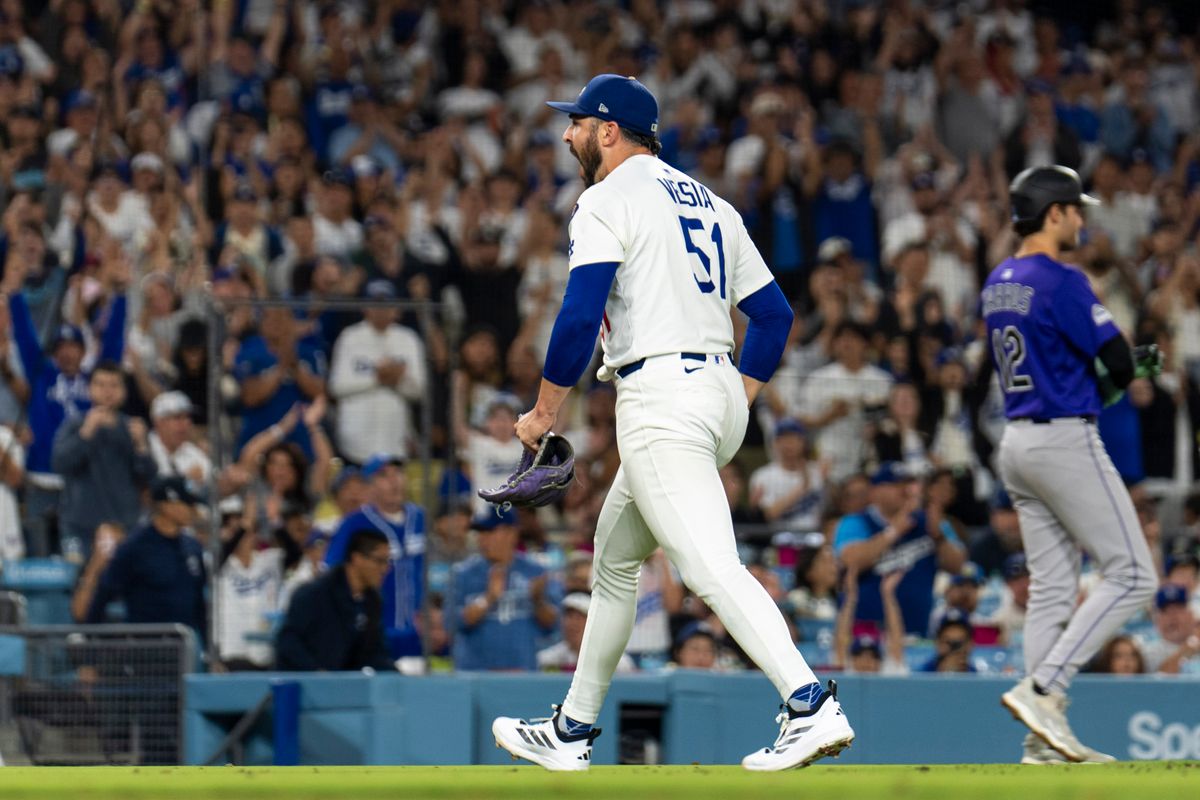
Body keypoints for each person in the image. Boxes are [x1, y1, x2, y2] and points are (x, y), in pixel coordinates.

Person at [490, 74, 853, 773]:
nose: (566, 134)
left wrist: (544, 410)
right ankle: (571, 730)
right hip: (714, 394)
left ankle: (810, 705)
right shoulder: (713, 203)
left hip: (661, 395)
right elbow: (775, 317)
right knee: (615, 559)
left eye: (576, 123)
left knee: (710, 567)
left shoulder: (604, 200)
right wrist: (734, 391)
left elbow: (578, 314)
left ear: (607, 131)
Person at [986, 166, 1159, 764]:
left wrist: (1111, 370)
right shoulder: (1062, 278)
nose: (1082, 220)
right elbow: (1113, 356)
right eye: (1075, 209)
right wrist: (1129, 367)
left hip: (1018, 440)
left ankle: (1042, 744)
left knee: (1053, 592)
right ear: (1053, 213)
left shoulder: (999, 280)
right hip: (1062, 440)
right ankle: (1044, 690)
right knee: (1135, 575)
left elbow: (1064, 358)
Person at [833, 462, 966, 636]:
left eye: (908, 484)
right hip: (865, 634)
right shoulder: (856, 521)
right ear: (875, 491)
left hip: (916, 631)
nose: (904, 490)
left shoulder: (929, 522)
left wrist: (939, 536)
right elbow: (850, 561)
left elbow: (958, 565)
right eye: (895, 485)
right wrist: (893, 532)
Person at [325, 453, 426, 662]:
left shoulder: (422, 518)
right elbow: (332, 575)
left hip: (421, 635)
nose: (393, 481)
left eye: (397, 473)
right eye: (384, 476)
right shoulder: (354, 524)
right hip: (375, 635)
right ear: (369, 487)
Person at [51, 361, 157, 560]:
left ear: (124, 391)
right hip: (80, 526)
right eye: (100, 385)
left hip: (124, 525)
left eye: (114, 385)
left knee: (122, 585)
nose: (108, 391)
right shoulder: (75, 425)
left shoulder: (134, 428)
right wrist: (85, 435)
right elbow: (59, 464)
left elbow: (149, 478)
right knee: (77, 582)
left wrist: (142, 446)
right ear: (90, 389)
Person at [84, 476, 206, 641]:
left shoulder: (192, 547)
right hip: (147, 651)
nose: (193, 510)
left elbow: (199, 604)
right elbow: (103, 595)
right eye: (187, 504)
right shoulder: (134, 547)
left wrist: (208, 650)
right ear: (166, 506)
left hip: (184, 648)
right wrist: (90, 652)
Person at [328, 280, 427, 465]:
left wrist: (397, 380)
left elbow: (419, 390)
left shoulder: (408, 339)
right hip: (354, 442)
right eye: (375, 304)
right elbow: (337, 387)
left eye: (386, 305)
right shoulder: (350, 337)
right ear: (365, 308)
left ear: (396, 309)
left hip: (395, 440)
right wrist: (378, 379)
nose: (380, 310)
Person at [449, 509, 560, 671]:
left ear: (512, 533)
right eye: (480, 532)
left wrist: (537, 601)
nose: (482, 538)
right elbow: (451, 624)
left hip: (522, 675)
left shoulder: (535, 572)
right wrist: (488, 598)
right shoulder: (462, 574)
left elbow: (554, 624)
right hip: (476, 677)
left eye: (489, 531)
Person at [275, 528, 396, 672]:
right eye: (380, 561)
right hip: (302, 686)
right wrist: (316, 672)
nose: (385, 569)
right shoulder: (314, 594)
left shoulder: (372, 602)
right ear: (357, 559)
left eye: (387, 562)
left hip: (342, 688)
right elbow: (288, 641)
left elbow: (374, 651)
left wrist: (397, 677)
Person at [538, 592, 635, 674]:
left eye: (580, 617)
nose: (573, 623)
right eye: (569, 616)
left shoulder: (617, 662)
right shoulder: (548, 659)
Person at [1134, 585, 1200, 675]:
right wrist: (1187, 648)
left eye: (1178, 610)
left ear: (1191, 615)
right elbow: (1158, 684)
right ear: (1157, 620)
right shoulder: (1149, 653)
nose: (1172, 617)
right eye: (1165, 611)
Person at [147, 390, 211, 482]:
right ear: (159, 422)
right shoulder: (146, 449)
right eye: (177, 418)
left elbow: (215, 485)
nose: (186, 423)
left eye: (188, 417)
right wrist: (185, 480)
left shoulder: (192, 452)